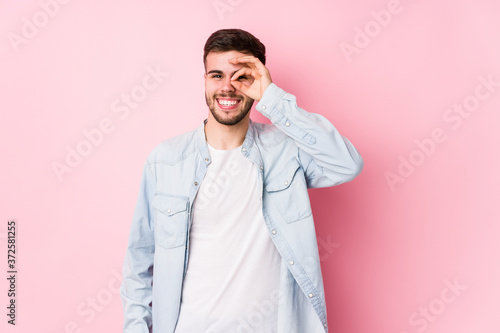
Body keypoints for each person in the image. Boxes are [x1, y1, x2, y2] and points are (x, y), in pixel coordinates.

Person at [120, 28, 363, 333]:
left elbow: (347, 164)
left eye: (241, 77)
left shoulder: (285, 151)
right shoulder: (165, 160)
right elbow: (139, 260)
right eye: (217, 75)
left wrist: (272, 98)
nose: (228, 87)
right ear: (205, 80)